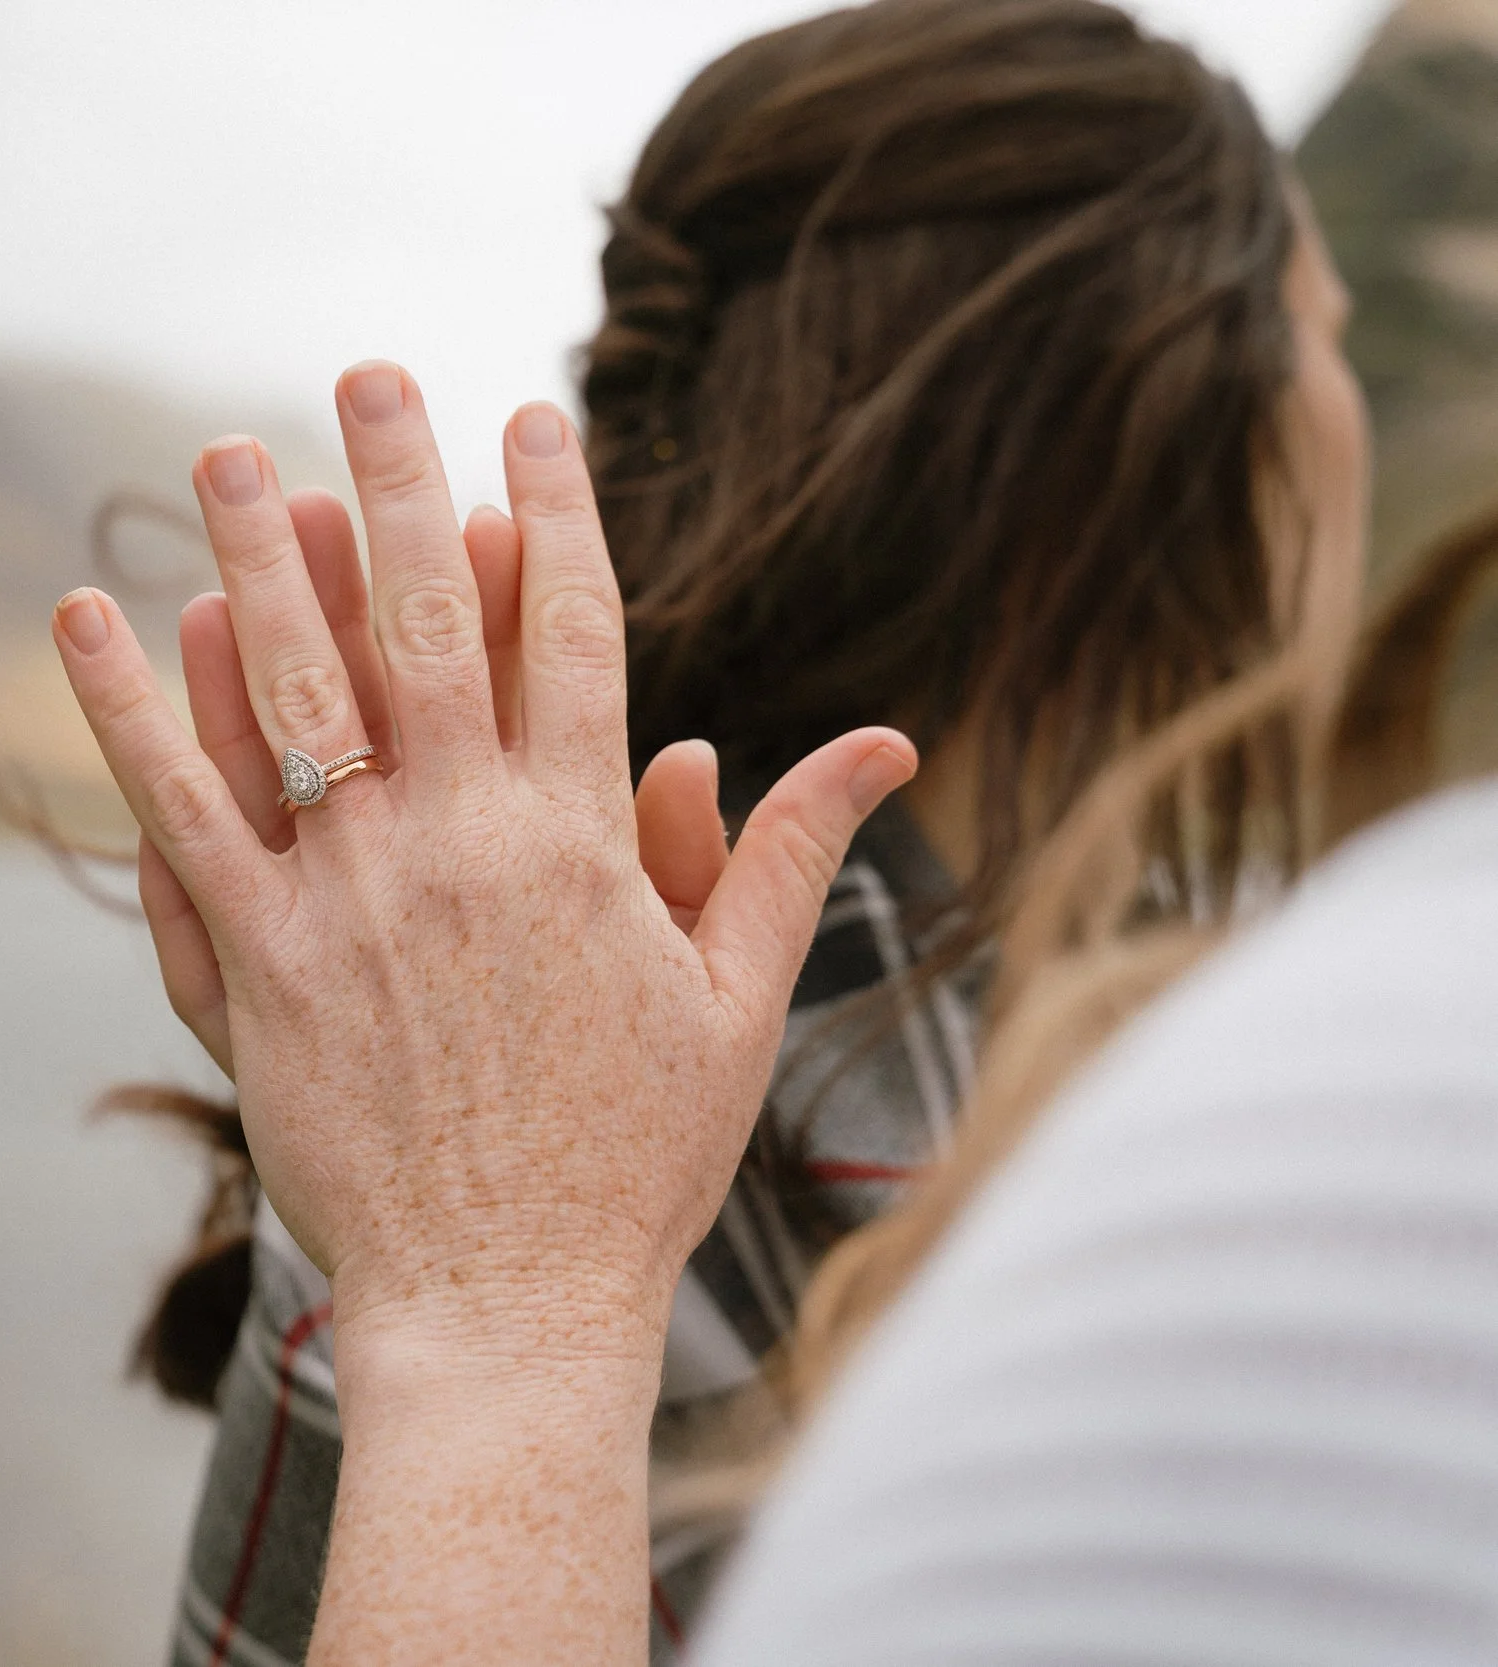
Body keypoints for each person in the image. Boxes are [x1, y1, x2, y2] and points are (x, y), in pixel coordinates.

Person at [124, 2, 1369, 1659]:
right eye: (1328, 333)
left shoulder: (1220, 1041)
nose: (1353, 409)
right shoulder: (533, 1180)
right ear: (1161, 431)